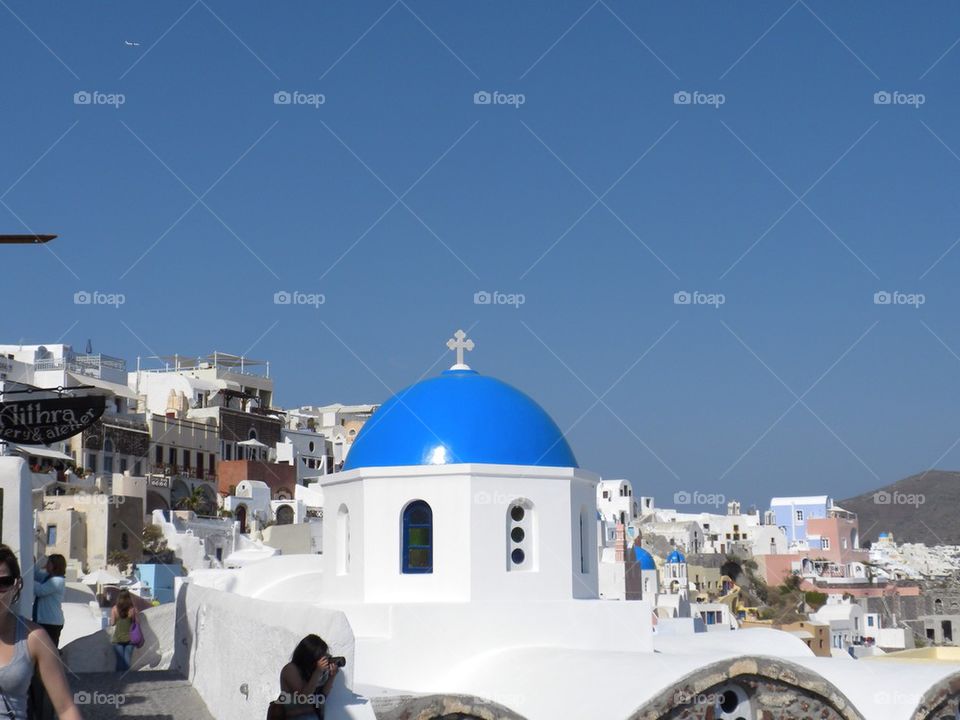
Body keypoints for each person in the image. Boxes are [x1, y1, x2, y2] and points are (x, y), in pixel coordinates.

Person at [0, 545, 83, 719]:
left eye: (3, 583)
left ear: (16, 585)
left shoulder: (34, 638)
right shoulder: (48, 578)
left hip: (49, 624)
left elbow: (66, 708)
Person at [278, 634, 338, 718]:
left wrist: (332, 676)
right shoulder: (290, 669)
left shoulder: (311, 672)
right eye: (319, 656)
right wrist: (318, 672)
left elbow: (321, 698)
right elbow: (303, 699)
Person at [33, 554, 66, 648]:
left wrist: (27, 580)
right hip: (46, 621)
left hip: (51, 622)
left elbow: (40, 591)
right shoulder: (49, 577)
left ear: (55, 565)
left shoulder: (57, 581)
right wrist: (33, 564)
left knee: (48, 650)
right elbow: (36, 575)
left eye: (49, 563)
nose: (46, 565)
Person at [109, 589, 138, 672]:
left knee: (119, 662)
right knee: (127, 662)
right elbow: (136, 622)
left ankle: (118, 678)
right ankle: (127, 677)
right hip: (130, 639)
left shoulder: (114, 609)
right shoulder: (132, 609)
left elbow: (112, 623)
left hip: (117, 639)